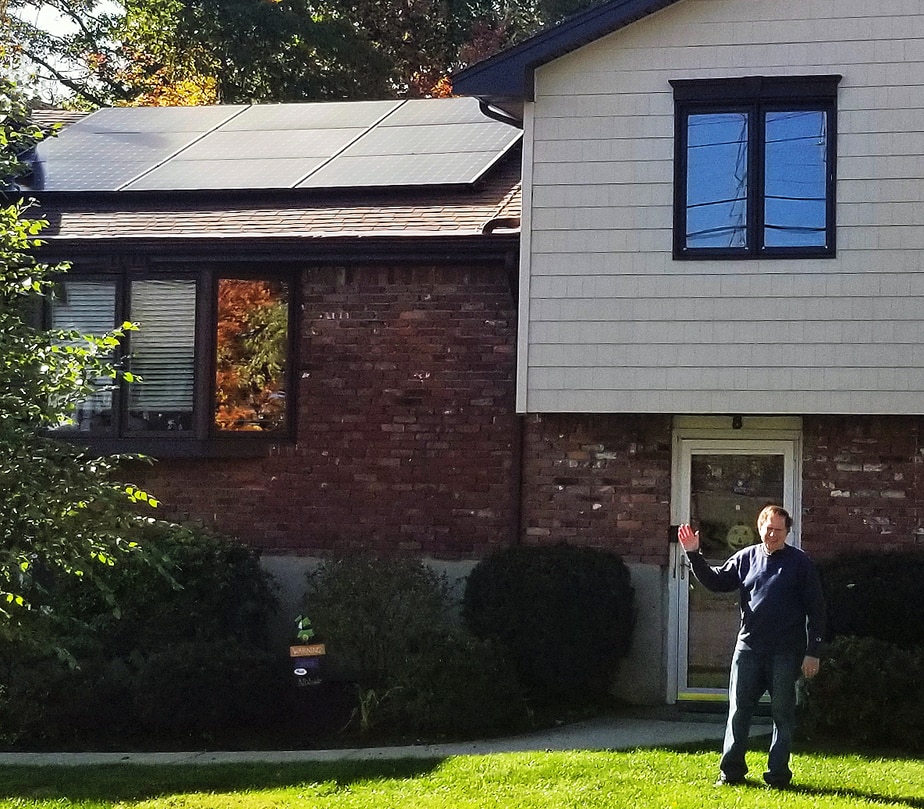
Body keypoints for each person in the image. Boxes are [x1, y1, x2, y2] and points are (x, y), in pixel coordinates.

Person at [677, 505, 825, 789]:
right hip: (748, 650)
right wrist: (693, 554)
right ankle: (731, 773)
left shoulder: (800, 563)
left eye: (779, 531)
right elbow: (717, 582)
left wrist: (813, 651)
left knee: (782, 715)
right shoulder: (746, 558)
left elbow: (817, 611)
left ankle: (778, 776)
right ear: (760, 528)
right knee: (738, 711)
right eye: (768, 529)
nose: (772, 535)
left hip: (785, 652)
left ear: (787, 532)